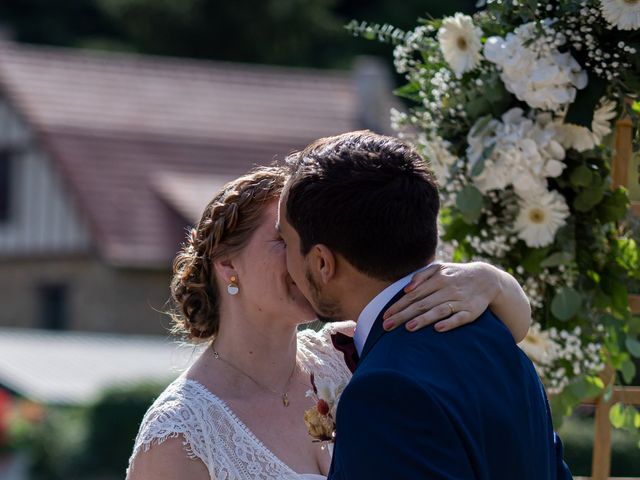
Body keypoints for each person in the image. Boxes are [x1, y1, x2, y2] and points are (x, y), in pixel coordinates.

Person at [127, 165, 533, 480]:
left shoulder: (348, 353)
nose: (310, 256)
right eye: (284, 240)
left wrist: (492, 281)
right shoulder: (180, 434)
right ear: (228, 264)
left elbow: (496, 342)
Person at [278, 131, 572, 479]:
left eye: (284, 240)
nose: (282, 260)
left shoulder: (384, 390)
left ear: (323, 263)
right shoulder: (497, 337)